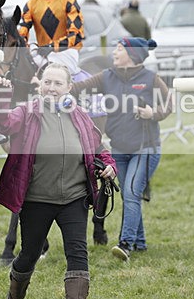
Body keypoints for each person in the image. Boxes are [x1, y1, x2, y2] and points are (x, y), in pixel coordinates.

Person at [0, 63, 116, 299]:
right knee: (29, 253)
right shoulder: (26, 112)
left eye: (58, 83)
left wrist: (109, 165)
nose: (52, 88)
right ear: (39, 83)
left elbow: (98, 147)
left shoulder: (80, 114)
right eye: (47, 82)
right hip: (37, 199)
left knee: (78, 250)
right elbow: (2, 123)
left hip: (74, 198)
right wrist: (1, 94)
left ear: (69, 87)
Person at [72, 37, 173, 262]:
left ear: (133, 55)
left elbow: (169, 104)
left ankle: (125, 244)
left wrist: (152, 114)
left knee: (130, 193)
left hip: (146, 149)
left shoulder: (150, 78)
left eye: (119, 49)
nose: (114, 53)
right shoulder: (107, 76)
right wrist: (53, 84)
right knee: (131, 195)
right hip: (118, 149)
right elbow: (78, 88)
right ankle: (140, 243)